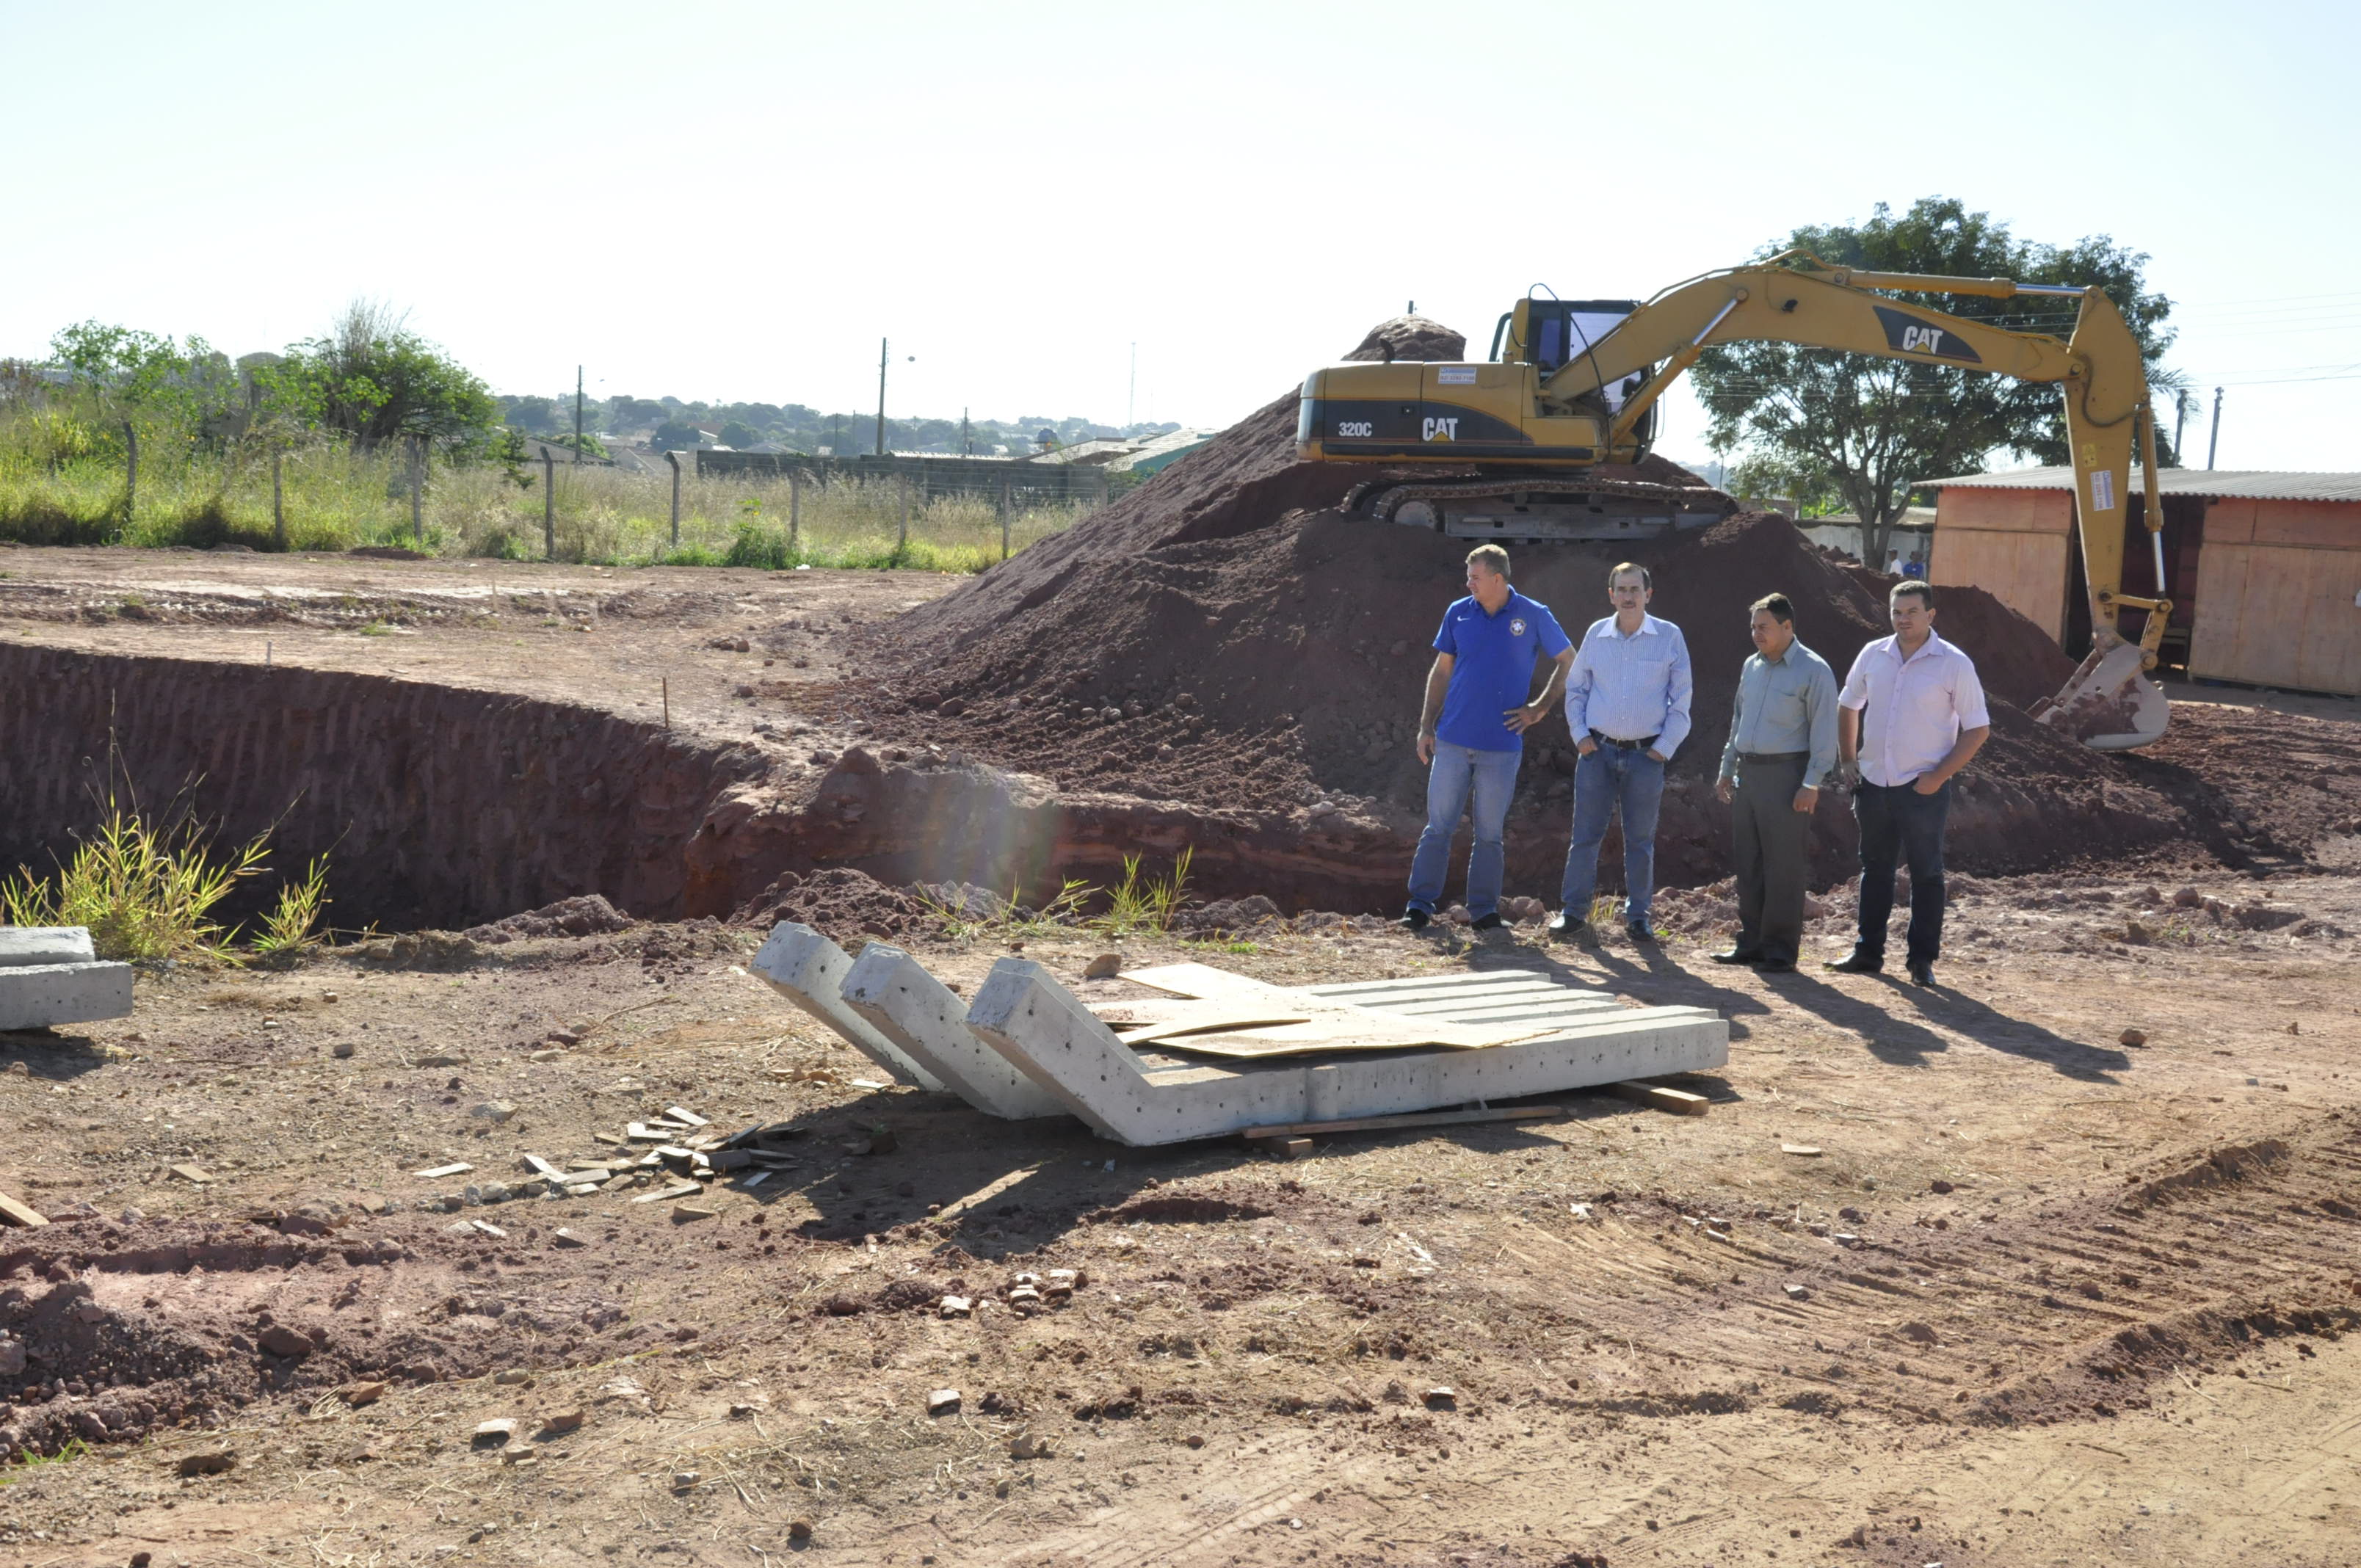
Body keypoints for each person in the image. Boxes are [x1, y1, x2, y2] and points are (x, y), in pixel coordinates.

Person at [1825, 580, 1991, 987]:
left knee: (1926, 874)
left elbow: (1978, 729)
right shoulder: (1873, 654)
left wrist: (1938, 777)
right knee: (1875, 869)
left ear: (1931, 615)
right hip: (1874, 785)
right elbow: (1848, 703)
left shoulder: (1953, 663)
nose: (1903, 619)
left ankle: (1921, 961)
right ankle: (1867, 952)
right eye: (1897, 612)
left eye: (1912, 612)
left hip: (1921, 789)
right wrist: (1848, 758)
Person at [1403, 544, 1574, 932]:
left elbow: (1568, 659)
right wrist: (1426, 726)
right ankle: (1419, 905)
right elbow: (1441, 670)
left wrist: (1541, 708)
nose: (1469, 584)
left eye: (1475, 577)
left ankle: (1483, 912)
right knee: (1438, 827)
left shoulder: (1533, 615)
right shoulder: (1458, 612)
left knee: (1490, 833)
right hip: (1452, 741)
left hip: (1501, 747)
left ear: (1498, 578)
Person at [1551, 562, 1693, 943]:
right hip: (1597, 753)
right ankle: (1573, 914)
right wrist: (1581, 736)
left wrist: (1663, 750)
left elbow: (1681, 702)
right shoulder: (1597, 635)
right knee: (1585, 837)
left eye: (1635, 589)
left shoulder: (1669, 637)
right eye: (1621, 590)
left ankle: (1638, 917)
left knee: (1640, 841)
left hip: (1646, 757)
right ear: (1611, 595)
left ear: (1649, 594)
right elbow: (1577, 689)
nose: (1628, 596)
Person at [1710, 593, 1838, 973]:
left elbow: (1824, 732)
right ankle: (1750, 942)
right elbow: (1737, 720)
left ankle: (1780, 948)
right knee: (1749, 862)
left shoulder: (1814, 671)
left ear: (1787, 627)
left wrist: (1811, 783)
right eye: (1753, 626)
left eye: (1763, 626)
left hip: (1787, 776)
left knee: (1783, 865)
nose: (1756, 634)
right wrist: (1726, 767)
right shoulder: (1752, 666)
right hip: (1747, 774)